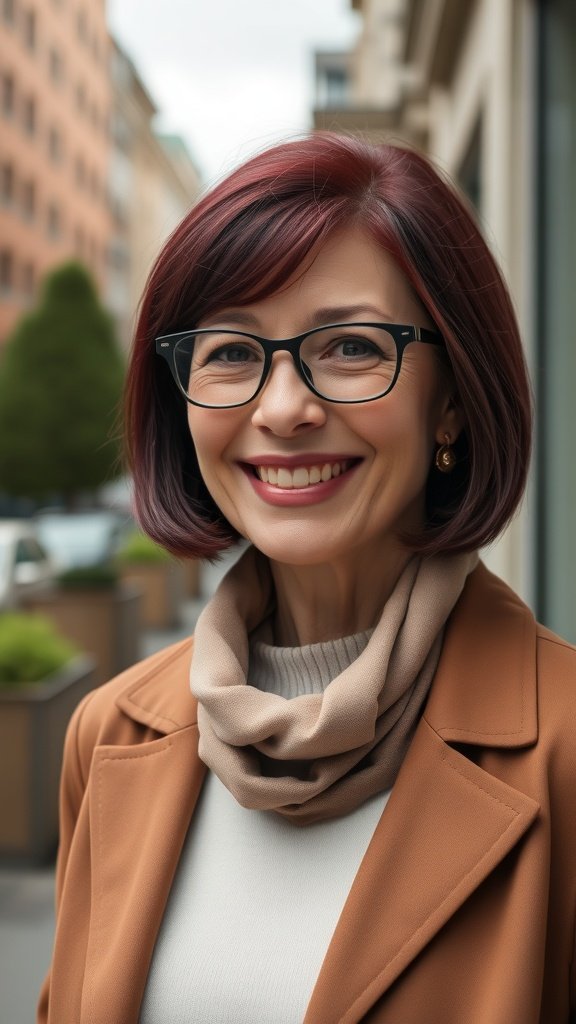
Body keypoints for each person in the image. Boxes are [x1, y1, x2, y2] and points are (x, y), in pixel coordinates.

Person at [38, 133, 576, 1024]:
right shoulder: (107, 736)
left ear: (451, 398)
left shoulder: (562, 747)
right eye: (232, 354)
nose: (284, 408)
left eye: (352, 347)